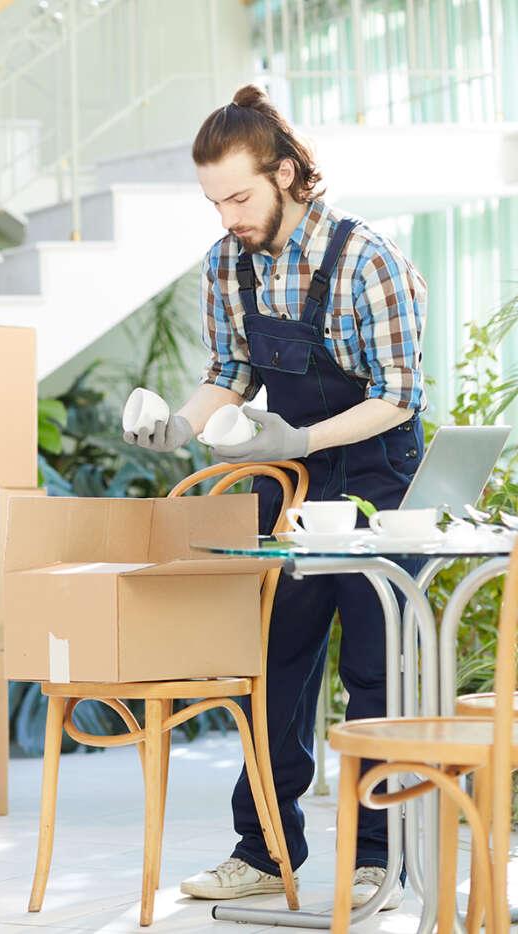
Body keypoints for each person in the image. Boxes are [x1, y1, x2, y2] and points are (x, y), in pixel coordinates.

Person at [126, 84, 427, 910]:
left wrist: (296, 437)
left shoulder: (368, 258)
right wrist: (183, 428)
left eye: (239, 196)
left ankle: (379, 858)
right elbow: (229, 377)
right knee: (275, 666)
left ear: (288, 173)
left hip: (379, 482)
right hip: (288, 486)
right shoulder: (228, 263)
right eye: (214, 200)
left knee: (376, 672)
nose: (227, 216)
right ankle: (264, 851)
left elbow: (399, 392)